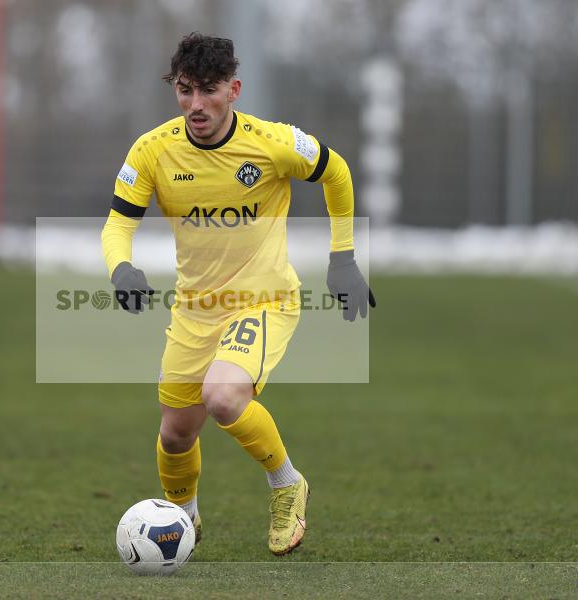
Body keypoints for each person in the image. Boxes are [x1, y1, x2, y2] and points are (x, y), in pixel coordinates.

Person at [100, 33, 375, 556]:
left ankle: (286, 484)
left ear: (234, 90)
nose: (195, 105)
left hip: (264, 300)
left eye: (208, 90)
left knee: (223, 397)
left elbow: (336, 170)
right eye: (185, 91)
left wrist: (343, 259)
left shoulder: (271, 143)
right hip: (195, 309)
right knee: (175, 435)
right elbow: (118, 224)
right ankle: (183, 521)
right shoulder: (153, 150)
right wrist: (121, 268)